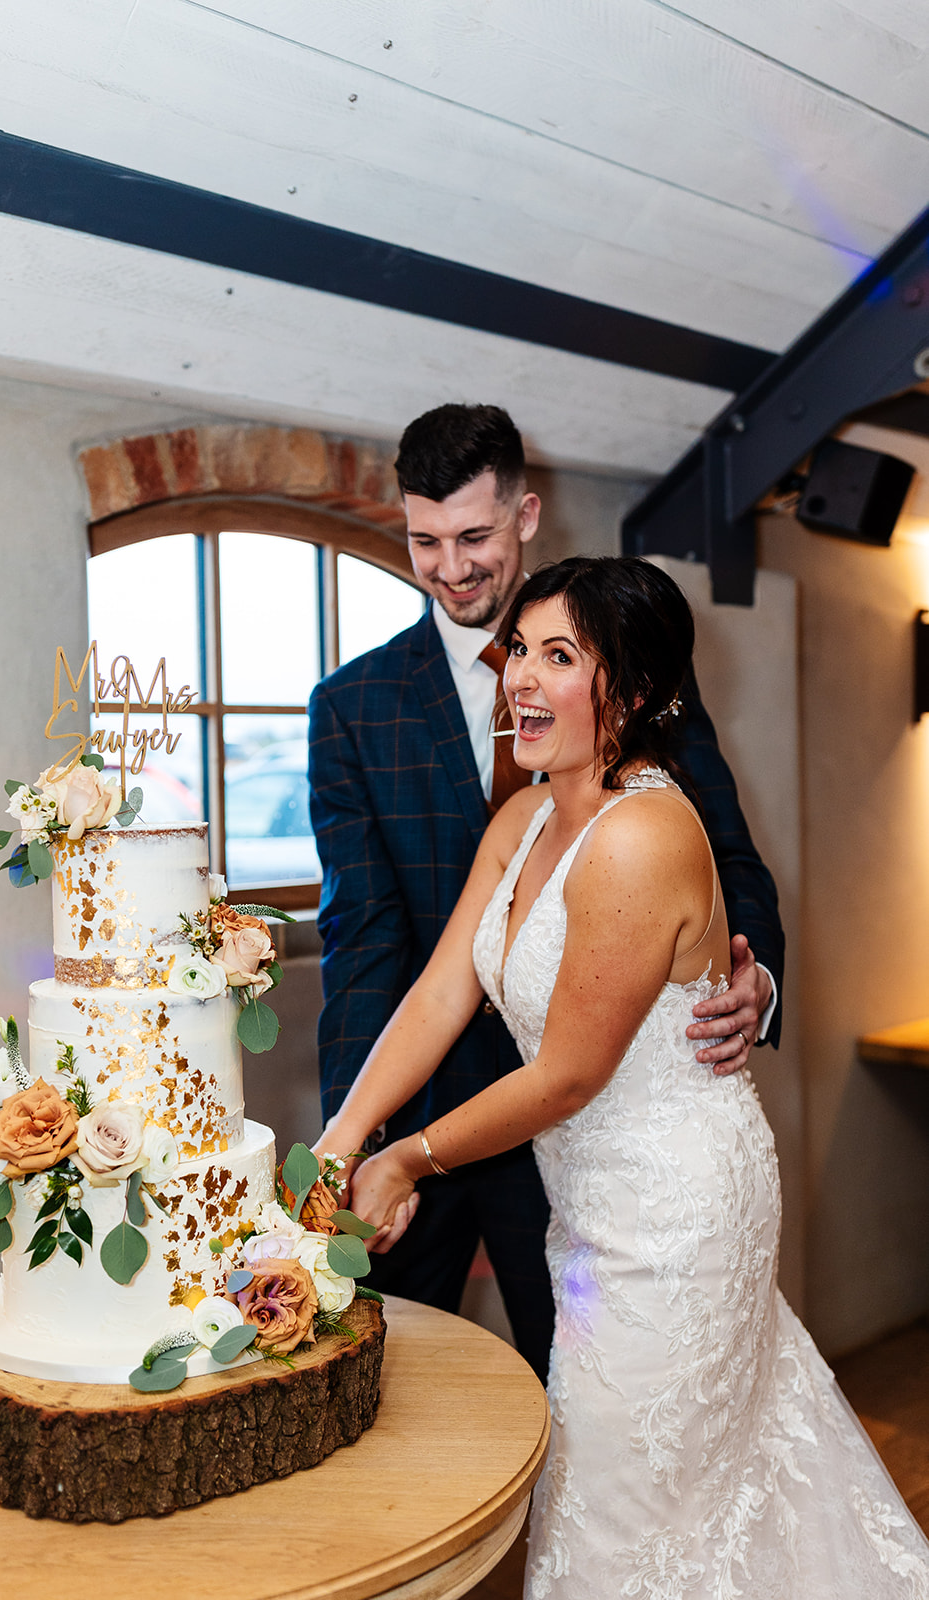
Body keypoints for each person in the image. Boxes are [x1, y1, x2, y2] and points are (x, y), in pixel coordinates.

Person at [319, 556, 929, 1598]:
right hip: (590, 1207)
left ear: (633, 693)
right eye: (520, 649)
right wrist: (344, 1132)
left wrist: (406, 1157)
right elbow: (437, 991)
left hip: (676, 1211)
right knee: (644, 1488)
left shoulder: (641, 831)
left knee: (625, 1501)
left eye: (559, 656)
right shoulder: (520, 820)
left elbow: (562, 1076)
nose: (518, 676)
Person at [307, 403, 783, 1381]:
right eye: (422, 541)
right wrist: (351, 1134)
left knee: (584, 1396)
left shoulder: (638, 678)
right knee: (392, 1388)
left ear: (523, 516)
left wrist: (755, 974)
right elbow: (377, 945)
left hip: (612, 1139)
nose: (448, 566)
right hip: (429, 1099)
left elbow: (724, 853)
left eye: (472, 536)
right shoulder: (361, 713)